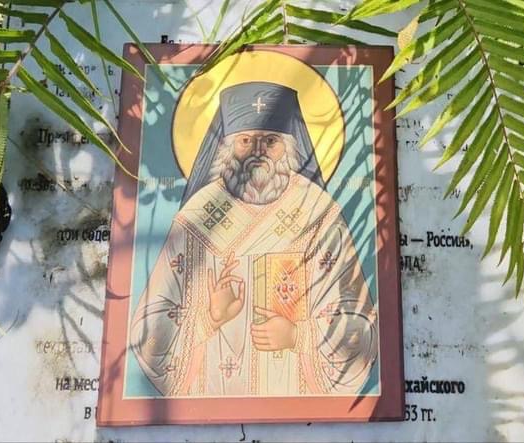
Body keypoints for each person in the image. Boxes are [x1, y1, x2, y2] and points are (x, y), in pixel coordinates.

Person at [130, 81, 378, 397]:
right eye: (246, 140)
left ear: (289, 149)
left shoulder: (317, 212)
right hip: (215, 395)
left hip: (294, 397)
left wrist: (299, 336)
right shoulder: (197, 216)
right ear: (227, 148)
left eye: (271, 141)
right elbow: (147, 328)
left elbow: (359, 322)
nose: (258, 152)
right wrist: (207, 319)